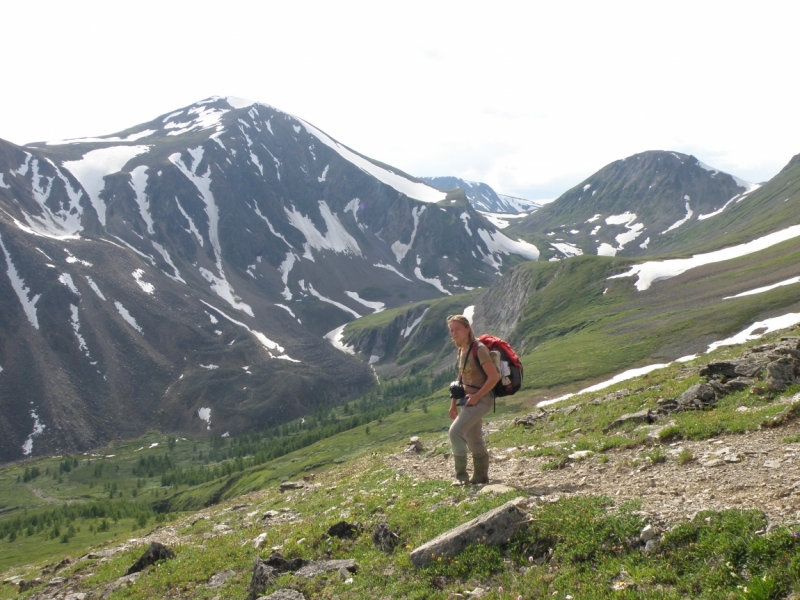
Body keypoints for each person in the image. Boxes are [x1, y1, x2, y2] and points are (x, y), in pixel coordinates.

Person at [446, 314, 500, 484]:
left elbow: (494, 377)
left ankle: (461, 477)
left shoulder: (479, 349)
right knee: (473, 438)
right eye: (451, 330)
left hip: (482, 400)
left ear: (467, 329)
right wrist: (453, 403)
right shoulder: (461, 350)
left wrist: (477, 396)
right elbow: (460, 378)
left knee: (455, 433)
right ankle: (481, 477)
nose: (454, 333)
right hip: (468, 400)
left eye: (458, 329)